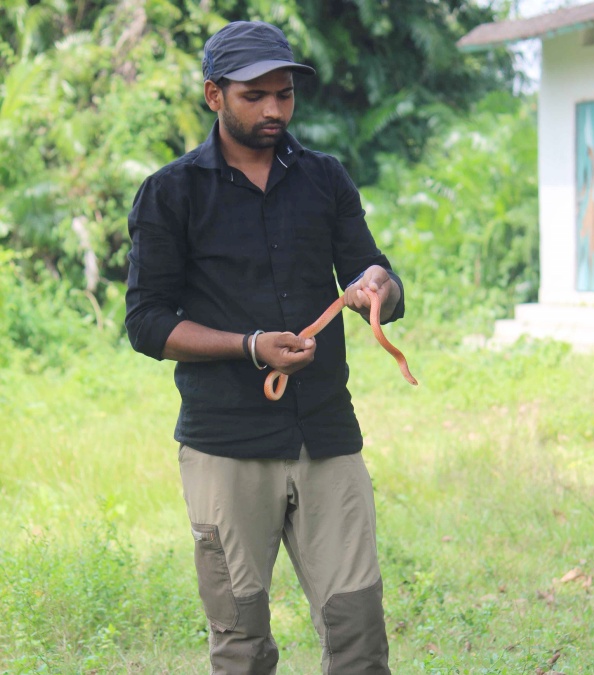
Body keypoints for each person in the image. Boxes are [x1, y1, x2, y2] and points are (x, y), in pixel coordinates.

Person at [125, 20, 400, 674]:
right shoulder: (171, 193)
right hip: (224, 447)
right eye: (256, 95)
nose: (274, 108)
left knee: (359, 637)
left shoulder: (325, 180)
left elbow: (372, 270)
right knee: (241, 644)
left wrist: (377, 286)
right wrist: (251, 347)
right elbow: (146, 322)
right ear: (214, 96)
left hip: (326, 436)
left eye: (284, 94)